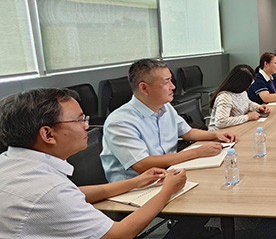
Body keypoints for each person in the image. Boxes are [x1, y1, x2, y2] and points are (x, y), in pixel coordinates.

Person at [0, 88, 188, 239]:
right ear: (48, 134)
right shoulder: (49, 190)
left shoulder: (11, 162)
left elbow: (74, 193)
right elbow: (119, 234)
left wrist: (135, 182)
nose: (86, 126)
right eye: (79, 119)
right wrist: (167, 190)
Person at [101, 59, 236, 183]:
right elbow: (142, 164)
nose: (173, 87)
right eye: (166, 82)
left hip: (169, 173)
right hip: (136, 187)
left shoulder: (165, 107)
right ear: (144, 88)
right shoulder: (119, 122)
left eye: (171, 80)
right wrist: (197, 152)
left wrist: (215, 135)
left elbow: (187, 133)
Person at [209, 64, 271, 130]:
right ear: (241, 83)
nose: (249, 86)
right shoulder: (225, 97)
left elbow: (248, 103)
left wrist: (258, 107)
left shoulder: (242, 92)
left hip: (236, 128)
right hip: (220, 133)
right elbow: (221, 122)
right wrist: (247, 117)